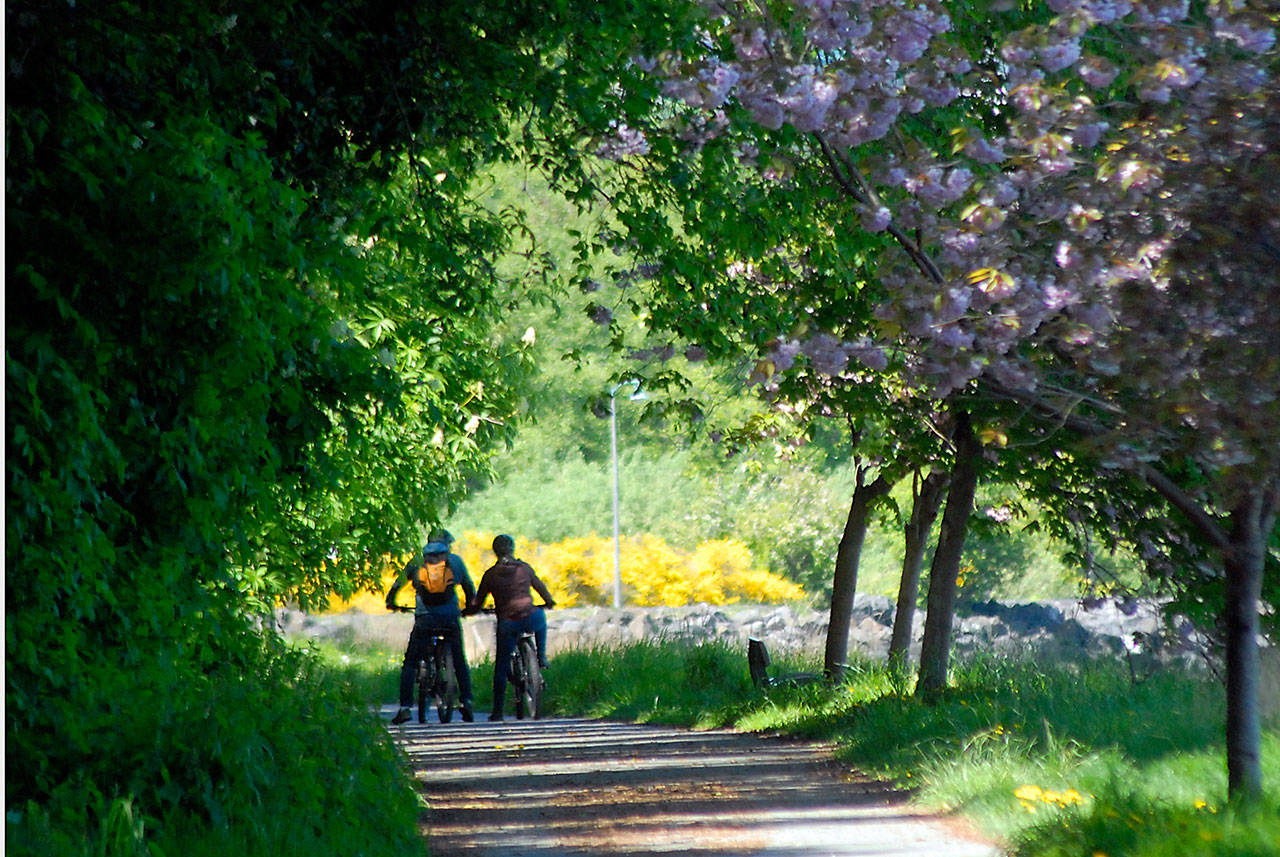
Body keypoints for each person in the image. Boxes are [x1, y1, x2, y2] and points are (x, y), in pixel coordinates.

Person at [385, 535, 476, 724]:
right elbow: (468, 587)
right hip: (450, 617)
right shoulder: (455, 561)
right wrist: (469, 607)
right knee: (459, 660)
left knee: (410, 662)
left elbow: (396, 585)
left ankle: (405, 708)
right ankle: (466, 701)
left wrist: (391, 602)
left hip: (425, 618)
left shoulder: (417, 561)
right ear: (447, 545)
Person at [468, 534, 555, 721]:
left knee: (501, 666)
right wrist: (549, 602)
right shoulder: (524, 568)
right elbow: (541, 588)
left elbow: (477, 601)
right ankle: (541, 656)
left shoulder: (490, 574)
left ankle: (498, 712)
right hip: (531, 616)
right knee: (540, 618)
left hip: (508, 622)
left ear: (495, 552)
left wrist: (472, 610)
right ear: (512, 548)